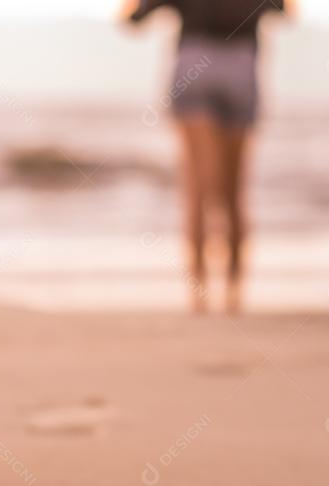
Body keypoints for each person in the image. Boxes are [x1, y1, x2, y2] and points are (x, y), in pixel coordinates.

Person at [121, 0, 292, 313]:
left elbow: (133, 18)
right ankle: (234, 292)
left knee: (198, 187)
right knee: (233, 191)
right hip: (242, 62)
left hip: (194, 61)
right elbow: (285, 11)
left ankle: (198, 294)